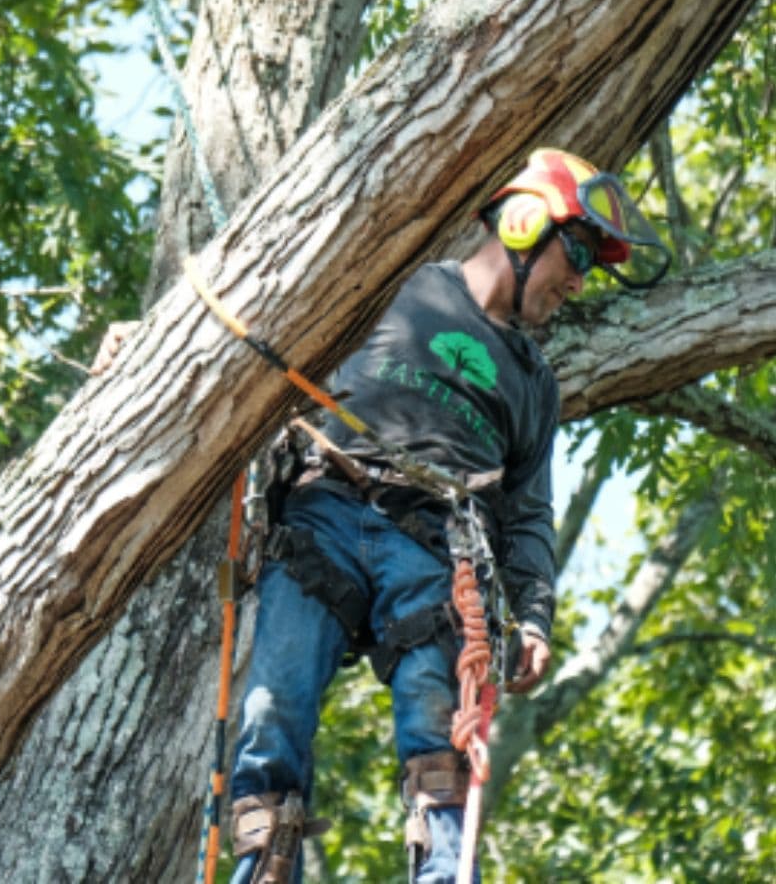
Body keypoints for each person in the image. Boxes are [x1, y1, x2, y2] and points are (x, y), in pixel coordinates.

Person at [225, 148, 670, 884]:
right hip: (322, 515)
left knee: (439, 750)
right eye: (579, 250)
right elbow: (265, 328)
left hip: (437, 553)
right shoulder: (399, 284)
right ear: (525, 224)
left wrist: (532, 617)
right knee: (271, 715)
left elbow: (527, 514)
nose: (579, 280)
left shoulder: (534, 383)